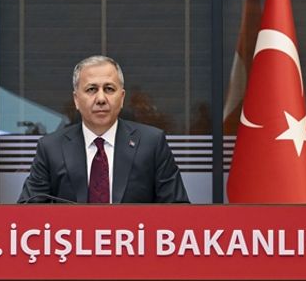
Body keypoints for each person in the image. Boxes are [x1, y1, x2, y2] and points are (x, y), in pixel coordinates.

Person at [18, 55, 189, 204]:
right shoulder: (51, 148)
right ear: (76, 99)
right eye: (91, 89)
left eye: (109, 89)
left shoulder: (151, 143)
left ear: (122, 98)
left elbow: (178, 211)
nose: (101, 98)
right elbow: (26, 213)